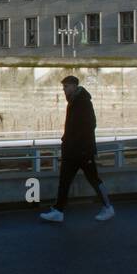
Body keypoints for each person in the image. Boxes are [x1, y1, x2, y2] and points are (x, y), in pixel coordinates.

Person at [40, 75, 115, 223]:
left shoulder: (83, 102)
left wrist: (77, 143)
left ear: (74, 86)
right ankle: (58, 211)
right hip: (72, 150)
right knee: (64, 180)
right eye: (63, 87)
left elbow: (90, 125)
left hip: (82, 151)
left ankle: (108, 207)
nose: (64, 90)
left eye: (66, 87)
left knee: (93, 179)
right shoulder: (74, 101)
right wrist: (67, 141)